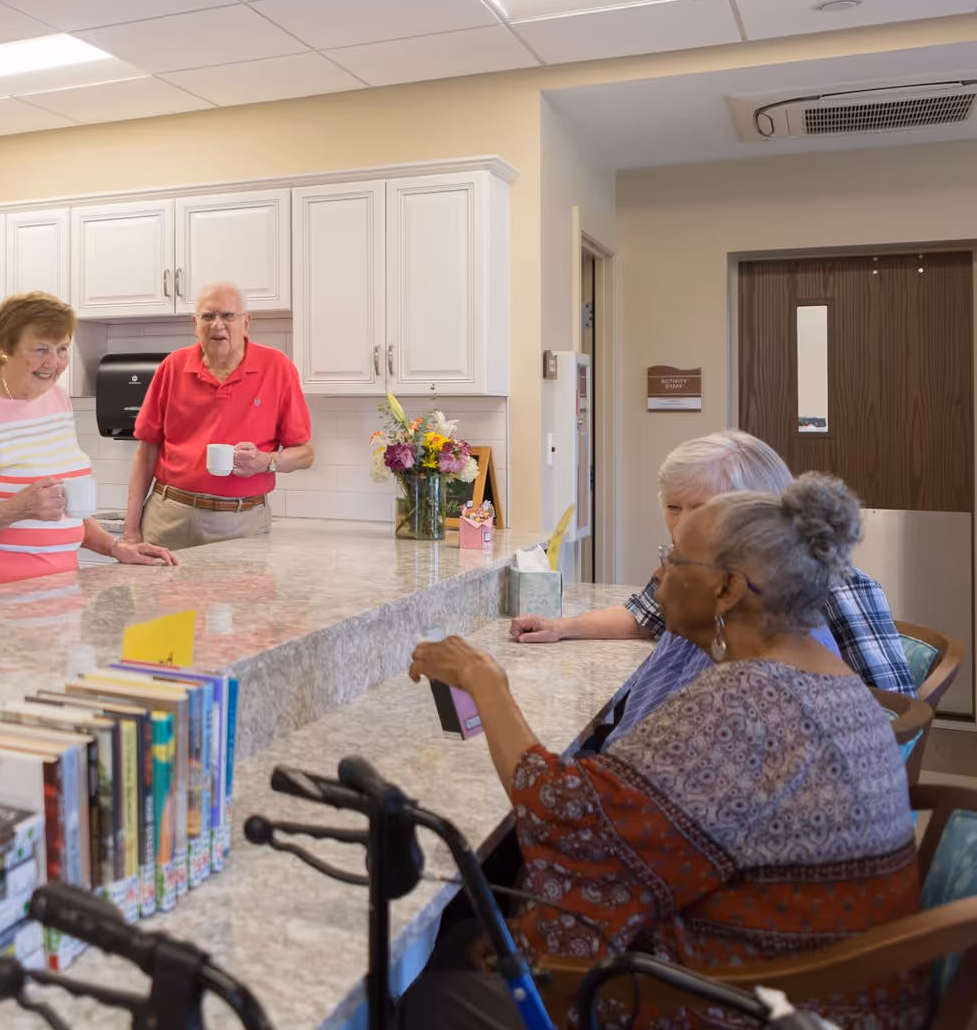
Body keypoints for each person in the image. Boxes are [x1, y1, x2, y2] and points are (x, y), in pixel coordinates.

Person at [402, 473, 925, 1029]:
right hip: (819, 992)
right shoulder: (823, 678)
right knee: (464, 934)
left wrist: (484, 680)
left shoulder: (745, 703)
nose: (657, 575)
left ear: (728, 589)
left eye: (673, 561)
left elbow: (565, 817)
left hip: (753, 1010)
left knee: (424, 996)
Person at [511, 430, 912, 738]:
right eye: (673, 507)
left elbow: (889, 709)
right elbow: (646, 614)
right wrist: (560, 628)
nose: (681, 524)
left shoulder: (828, 586)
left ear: (754, 506)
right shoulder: (700, 579)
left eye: (702, 510)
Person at [0, 292, 178, 592]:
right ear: (4, 347)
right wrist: (17, 508)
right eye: (40, 349)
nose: (53, 363)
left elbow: (62, 510)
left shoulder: (56, 399)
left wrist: (114, 546)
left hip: (58, 596)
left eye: (62, 348)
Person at [121, 281, 314, 552]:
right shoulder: (172, 367)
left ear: (246, 322)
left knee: (239, 596)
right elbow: (147, 451)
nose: (217, 324)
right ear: (195, 323)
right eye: (208, 316)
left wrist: (266, 461)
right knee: (157, 595)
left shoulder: (277, 368)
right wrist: (130, 531)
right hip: (169, 516)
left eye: (228, 316)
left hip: (241, 521)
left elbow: (305, 454)